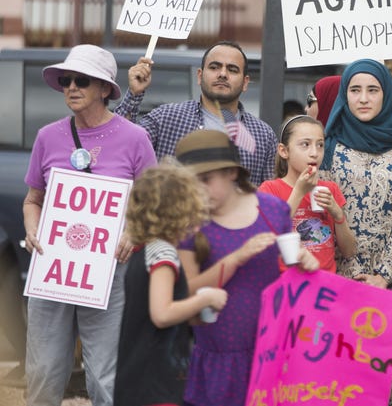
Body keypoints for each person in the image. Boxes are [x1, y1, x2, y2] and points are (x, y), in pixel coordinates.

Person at [22, 44, 157, 406]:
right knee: (43, 371)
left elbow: (153, 204)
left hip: (109, 272)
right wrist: (33, 231)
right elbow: (33, 200)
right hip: (52, 268)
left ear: (105, 89)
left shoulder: (135, 138)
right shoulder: (47, 136)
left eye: (82, 80)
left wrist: (134, 232)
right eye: (66, 79)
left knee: (105, 375)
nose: (71, 87)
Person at [173, 129, 319, 406]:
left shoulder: (273, 209)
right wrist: (235, 259)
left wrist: (304, 261)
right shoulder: (189, 221)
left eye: (206, 180)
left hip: (272, 352)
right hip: (218, 356)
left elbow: (291, 268)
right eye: (191, 183)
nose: (198, 190)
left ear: (231, 172)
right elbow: (185, 291)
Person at [114, 162, 227, 406]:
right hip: (156, 383)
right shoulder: (163, 255)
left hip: (136, 377)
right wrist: (205, 299)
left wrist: (193, 315)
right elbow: (161, 314)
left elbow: (153, 311)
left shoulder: (144, 251)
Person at [115, 40, 277, 185]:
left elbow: (269, 199)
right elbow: (120, 147)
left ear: (245, 83)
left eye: (232, 70)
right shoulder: (165, 118)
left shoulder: (263, 136)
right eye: (214, 67)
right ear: (199, 76)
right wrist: (134, 94)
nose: (222, 74)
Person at [320, 58, 392, 291]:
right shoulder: (327, 147)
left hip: (386, 282)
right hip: (335, 277)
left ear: (386, 95)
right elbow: (319, 216)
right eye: (355, 90)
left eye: (372, 90)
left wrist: (383, 275)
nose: (363, 99)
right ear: (345, 95)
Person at [258, 115, 356, 272]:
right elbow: (270, 237)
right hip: (287, 283)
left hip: (323, 284)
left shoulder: (330, 188)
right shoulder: (269, 189)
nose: (314, 153)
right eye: (305, 144)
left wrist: (338, 215)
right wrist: (298, 192)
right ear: (284, 151)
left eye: (320, 145)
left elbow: (349, 251)